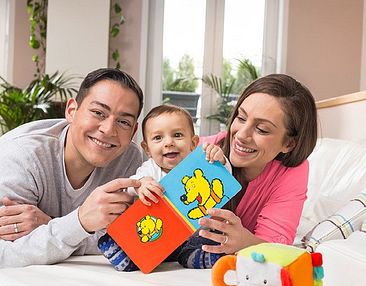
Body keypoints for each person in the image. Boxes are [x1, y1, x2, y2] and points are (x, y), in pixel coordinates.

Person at [0, 68, 144, 267]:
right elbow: (6, 256)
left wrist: (53, 224)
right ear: (71, 111)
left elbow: (128, 238)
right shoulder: (22, 155)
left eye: (123, 122)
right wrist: (80, 223)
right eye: (98, 113)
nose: (109, 130)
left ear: (134, 130)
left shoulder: (128, 157)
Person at [193, 73, 318, 260]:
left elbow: (276, 246)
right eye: (241, 118)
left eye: (262, 129)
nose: (241, 135)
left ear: (289, 144)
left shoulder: (291, 171)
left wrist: (244, 242)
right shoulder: (203, 149)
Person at [98, 104, 231, 271]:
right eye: (158, 138)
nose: (169, 143)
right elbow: (131, 185)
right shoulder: (150, 170)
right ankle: (123, 254)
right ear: (147, 148)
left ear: (193, 143)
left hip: (193, 237)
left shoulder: (201, 165)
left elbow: (225, 176)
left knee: (207, 240)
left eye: (177, 135)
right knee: (137, 245)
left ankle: (197, 257)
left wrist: (220, 160)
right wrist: (142, 185)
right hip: (157, 239)